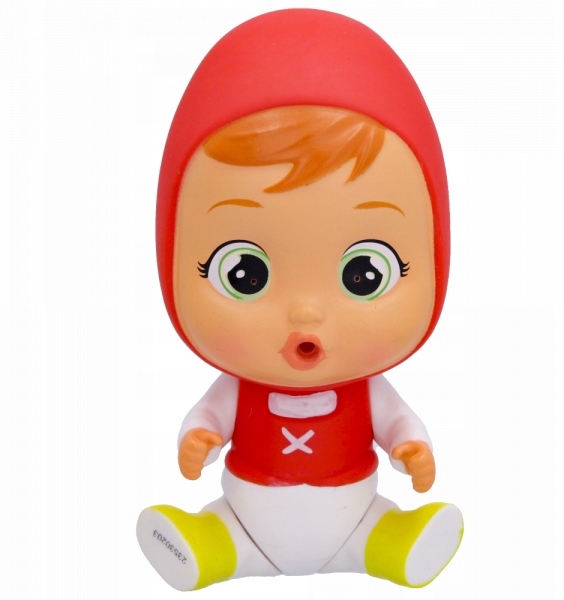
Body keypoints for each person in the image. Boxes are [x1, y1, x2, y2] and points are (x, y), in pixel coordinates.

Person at [137, 9, 463, 592]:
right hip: (248, 513)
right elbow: (208, 416)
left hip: (354, 511)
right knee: (227, 535)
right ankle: (210, 546)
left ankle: (391, 542)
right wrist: (198, 437)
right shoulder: (238, 387)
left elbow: (398, 423)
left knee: (374, 529)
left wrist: (411, 446)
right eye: (244, 274)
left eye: (365, 274)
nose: (306, 313)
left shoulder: (368, 389)